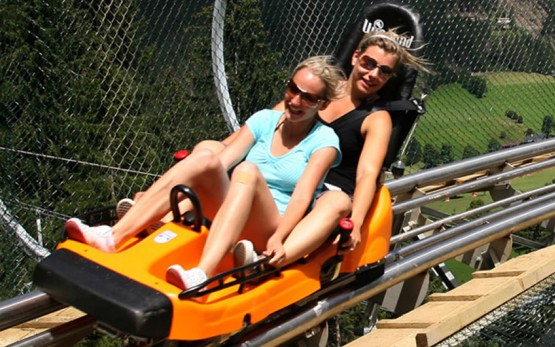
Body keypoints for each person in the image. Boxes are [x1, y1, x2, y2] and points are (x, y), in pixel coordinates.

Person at [64, 56, 344, 290]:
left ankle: (202, 273)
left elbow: (302, 197)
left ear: (322, 104)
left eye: (307, 98)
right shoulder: (265, 120)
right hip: (233, 208)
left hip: (269, 224)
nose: (295, 100)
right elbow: (220, 162)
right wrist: (157, 195)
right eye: (292, 89)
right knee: (206, 157)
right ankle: (114, 236)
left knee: (247, 171)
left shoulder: (324, 142)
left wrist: (279, 237)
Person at [233, 29, 427, 267]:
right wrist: (218, 152)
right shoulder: (322, 90)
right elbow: (269, 122)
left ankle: (268, 262)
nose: (373, 74)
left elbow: (368, 174)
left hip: (326, 194)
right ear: (355, 57)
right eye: (369, 63)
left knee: (335, 202)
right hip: (291, 179)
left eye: (384, 71)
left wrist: (355, 221)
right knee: (216, 153)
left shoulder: (377, 118)